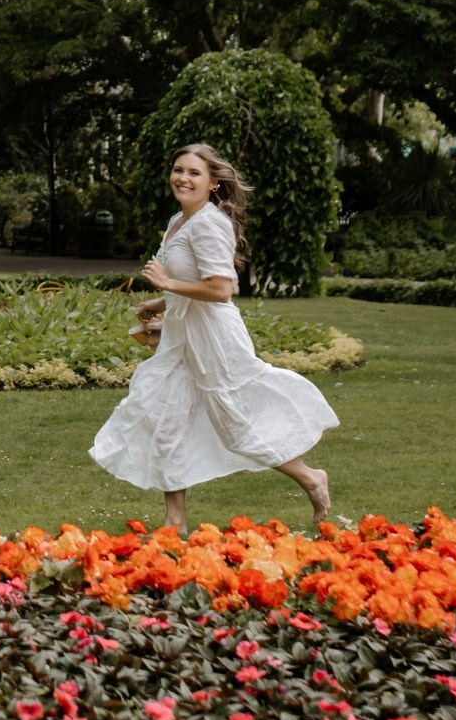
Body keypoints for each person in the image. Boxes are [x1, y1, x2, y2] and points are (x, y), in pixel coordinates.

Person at [89, 143, 339, 533]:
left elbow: (221, 289)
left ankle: (310, 477)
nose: (183, 178)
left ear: (214, 184)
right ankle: (175, 523)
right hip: (182, 337)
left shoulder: (208, 224)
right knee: (166, 418)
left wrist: (166, 282)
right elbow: (191, 282)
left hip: (214, 339)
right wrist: (160, 300)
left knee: (235, 422)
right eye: (178, 170)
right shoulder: (179, 220)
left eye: (193, 173)